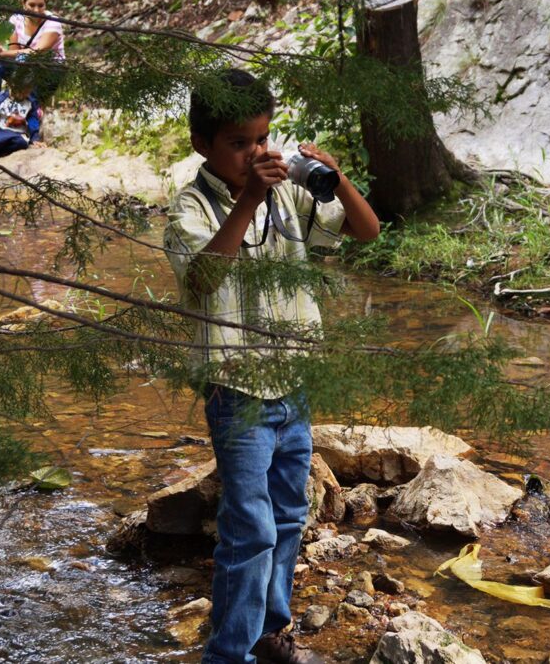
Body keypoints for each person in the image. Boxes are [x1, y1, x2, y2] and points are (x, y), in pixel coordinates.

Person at [163, 68, 379, 664]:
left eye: (262, 139)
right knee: (249, 527)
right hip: (236, 392)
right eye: (239, 143)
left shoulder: (286, 192)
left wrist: (336, 177)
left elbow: (366, 231)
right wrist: (249, 200)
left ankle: (270, 631)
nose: (255, 153)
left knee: (287, 515)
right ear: (202, 143)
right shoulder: (191, 206)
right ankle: (228, 653)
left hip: (293, 383)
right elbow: (202, 280)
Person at [0, 0, 66, 108]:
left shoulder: (53, 23)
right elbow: (14, 51)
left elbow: (36, 52)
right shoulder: (16, 20)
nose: (36, 10)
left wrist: (4, 54)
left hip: (49, 70)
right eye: (32, 5)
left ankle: (24, 106)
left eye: (41, 5)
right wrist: (0, 53)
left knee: (23, 59)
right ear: (23, 4)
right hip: (24, 66)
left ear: (46, 4)